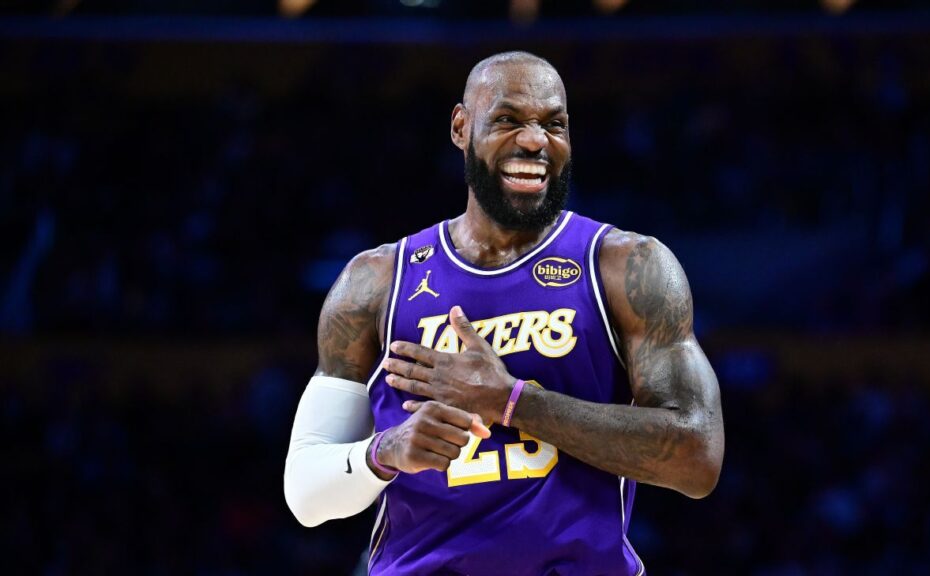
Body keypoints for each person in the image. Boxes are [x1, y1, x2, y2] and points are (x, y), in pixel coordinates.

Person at [284, 51, 725, 575]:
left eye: (553, 124)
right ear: (460, 127)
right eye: (509, 120)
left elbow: (696, 458)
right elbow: (306, 494)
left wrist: (510, 401)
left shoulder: (627, 266)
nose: (536, 140)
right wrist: (387, 451)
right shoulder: (376, 280)